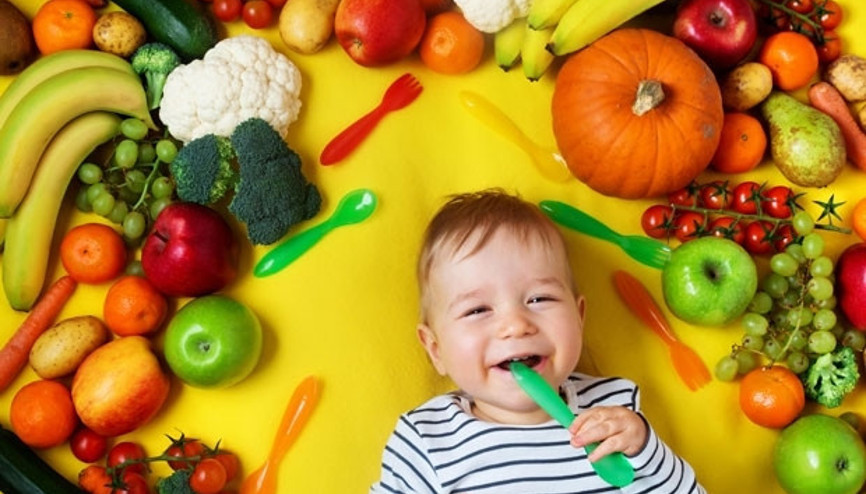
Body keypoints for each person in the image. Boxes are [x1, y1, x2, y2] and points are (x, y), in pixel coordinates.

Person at [370, 189, 705, 493]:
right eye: (477, 310)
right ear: (435, 349)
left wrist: (646, 450)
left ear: (579, 317)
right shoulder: (428, 439)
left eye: (539, 299)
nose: (516, 326)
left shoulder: (614, 414)